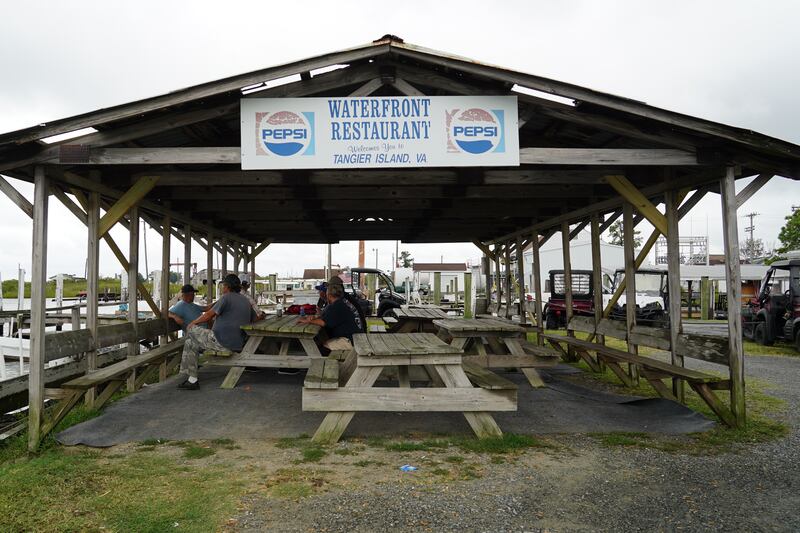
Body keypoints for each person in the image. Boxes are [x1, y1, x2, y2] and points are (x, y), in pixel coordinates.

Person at [177, 274, 257, 390]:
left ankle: (189, 377)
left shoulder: (226, 297)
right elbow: (254, 318)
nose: (222, 288)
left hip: (221, 342)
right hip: (238, 343)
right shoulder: (245, 300)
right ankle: (192, 380)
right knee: (190, 343)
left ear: (227, 286)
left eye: (223, 285)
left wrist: (193, 323)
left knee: (191, 331)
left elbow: (209, 314)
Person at [298, 279, 361, 352]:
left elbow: (323, 322)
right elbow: (324, 316)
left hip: (349, 341)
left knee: (320, 350)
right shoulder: (340, 302)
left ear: (329, 295)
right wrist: (315, 317)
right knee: (319, 342)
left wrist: (307, 321)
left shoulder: (336, 306)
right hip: (352, 337)